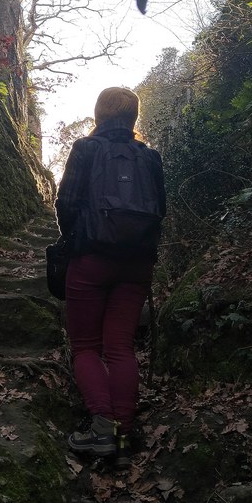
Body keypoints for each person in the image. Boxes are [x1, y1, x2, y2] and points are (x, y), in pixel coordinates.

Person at [55, 87, 166, 469]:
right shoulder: (150, 158)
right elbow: (160, 209)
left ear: (99, 114)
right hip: (136, 264)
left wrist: (74, 240)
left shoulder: (85, 150)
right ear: (134, 117)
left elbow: (66, 203)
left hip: (91, 259)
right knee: (120, 348)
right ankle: (122, 432)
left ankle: (102, 426)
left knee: (86, 346)